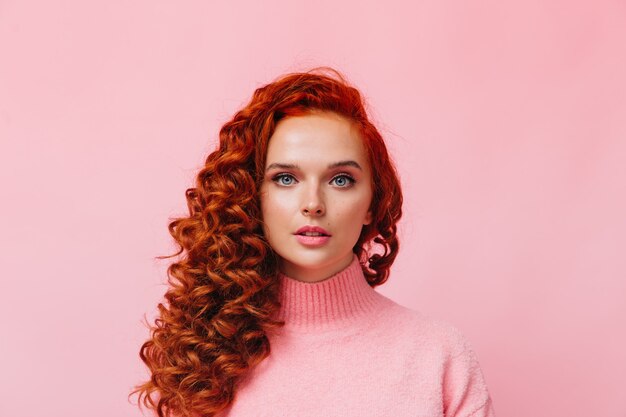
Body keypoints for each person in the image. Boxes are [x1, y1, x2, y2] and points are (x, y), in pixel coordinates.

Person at [129, 67, 496, 417]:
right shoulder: (206, 354)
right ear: (252, 196)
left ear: (373, 202)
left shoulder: (438, 356)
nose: (313, 204)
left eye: (340, 180)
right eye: (286, 179)